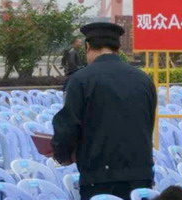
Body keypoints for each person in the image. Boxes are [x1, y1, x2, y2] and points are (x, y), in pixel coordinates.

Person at [52, 22, 157, 200]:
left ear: (88, 46)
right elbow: (148, 123)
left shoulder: (80, 80)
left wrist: (62, 155)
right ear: (118, 48)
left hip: (99, 177)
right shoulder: (143, 79)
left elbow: (68, 125)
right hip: (141, 175)